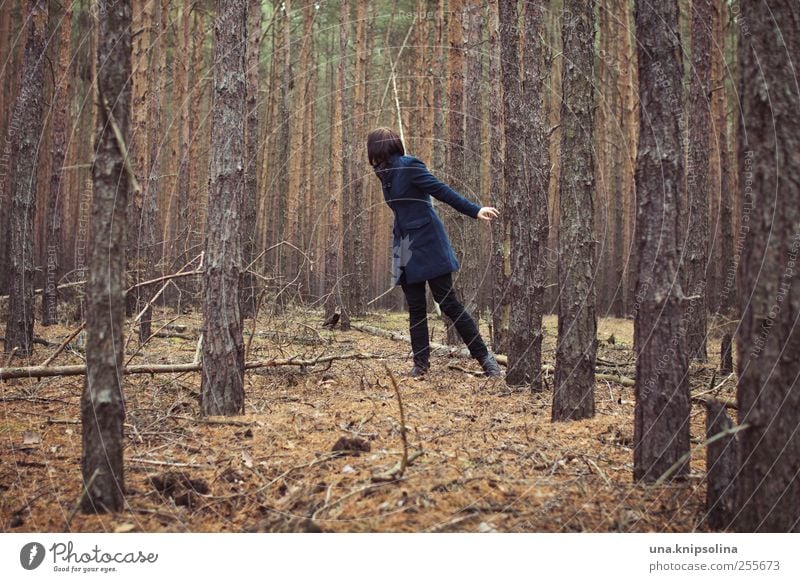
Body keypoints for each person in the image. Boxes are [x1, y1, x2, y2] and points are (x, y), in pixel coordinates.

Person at [367, 127, 502, 378]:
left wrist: (475, 210)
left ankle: (486, 359)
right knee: (415, 307)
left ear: (379, 149)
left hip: (428, 241)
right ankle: (421, 366)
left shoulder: (409, 166)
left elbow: (441, 191)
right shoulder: (383, 174)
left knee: (448, 303)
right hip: (404, 245)